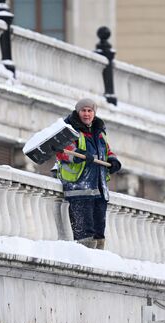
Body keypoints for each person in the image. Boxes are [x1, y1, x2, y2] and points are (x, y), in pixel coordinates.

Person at [55, 98, 121, 249]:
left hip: (99, 189)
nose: (86, 114)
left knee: (99, 233)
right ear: (78, 112)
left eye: (90, 111)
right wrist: (78, 154)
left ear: (94, 113)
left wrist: (113, 160)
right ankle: (87, 259)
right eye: (83, 110)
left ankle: (98, 262)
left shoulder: (99, 132)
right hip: (80, 190)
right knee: (85, 234)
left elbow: (107, 150)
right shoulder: (70, 129)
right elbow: (62, 151)